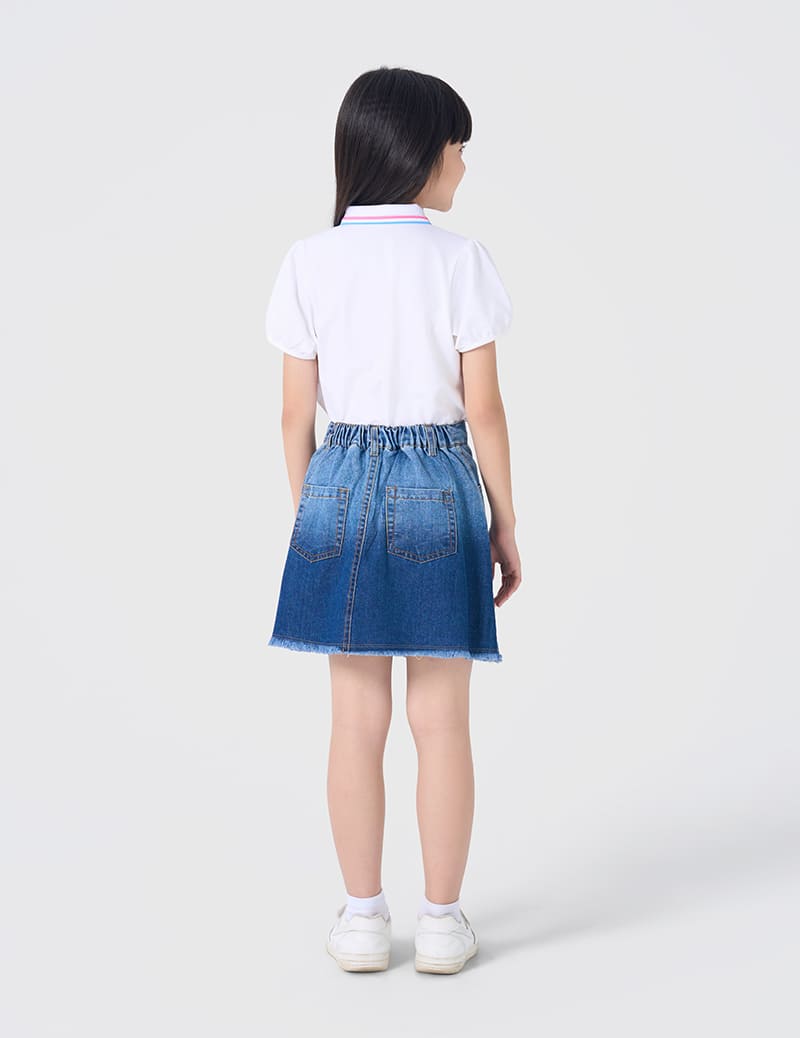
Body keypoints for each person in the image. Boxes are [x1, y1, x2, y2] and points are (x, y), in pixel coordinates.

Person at [264, 66, 522, 974]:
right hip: (440, 483)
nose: (463, 166)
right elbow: (483, 411)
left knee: (354, 720)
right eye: (458, 147)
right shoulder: (460, 260)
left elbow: (293, 417)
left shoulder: (309, 259)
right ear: (420, 152)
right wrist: (504, 521)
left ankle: (364, 920)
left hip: (336, 481)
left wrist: (317, 515)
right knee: (441, 721)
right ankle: (442, 924)